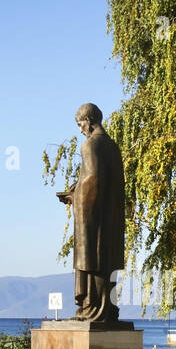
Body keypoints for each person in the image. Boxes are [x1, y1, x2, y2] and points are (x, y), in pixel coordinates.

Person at [56, 102, 125, 321]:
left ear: (89, 120)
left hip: (93, 218)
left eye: (80, 124)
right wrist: (79, 187)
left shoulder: (90, 146)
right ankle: (107, 310)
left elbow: (93, 178)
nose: (80, 129)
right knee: (104, 261)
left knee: (92, 260)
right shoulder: (113, 147)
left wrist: (75, 196)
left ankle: (91, 308)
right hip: (110, 219)